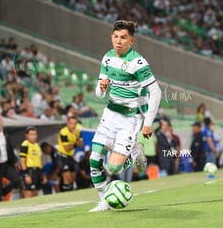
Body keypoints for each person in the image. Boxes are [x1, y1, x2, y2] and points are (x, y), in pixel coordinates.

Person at [89, 20, 161, 212]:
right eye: (115, 37)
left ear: (132, 40)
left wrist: (148, 123)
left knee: (112, 169)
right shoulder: (107, 58)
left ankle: (135, 152)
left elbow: (156, 92)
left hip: (130, 120)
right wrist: (101, 88)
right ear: (111, 37)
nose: (118, 41)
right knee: (94, 160)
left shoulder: (138, 63)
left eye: (123, 38)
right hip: (110, 115)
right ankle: (104, 201)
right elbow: (98, 93)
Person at [56, 115, 83, 192]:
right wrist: (75, 144)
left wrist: (76, 137)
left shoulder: (78, 131)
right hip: (62, 157)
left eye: (75, 123)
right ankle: (65, 196)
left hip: (70, 157)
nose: (73, 125)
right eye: (71, 123)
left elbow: (81, 145)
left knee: (72, 179)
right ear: (67, 123)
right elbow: (67, 148)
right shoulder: (63, 132)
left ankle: (70, 194)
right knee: (67, 179)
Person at [19, 126, 46, 198]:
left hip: (37, 171)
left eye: (35, 134)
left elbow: (39, 161)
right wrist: (26, 175)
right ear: (27, 135)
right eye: (31, 134)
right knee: (28, 193)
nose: (33, 136)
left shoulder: (37, 145)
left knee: (36, 193)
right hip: (30, 170)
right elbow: (22, 160)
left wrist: (42, 174)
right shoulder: (25, 144)